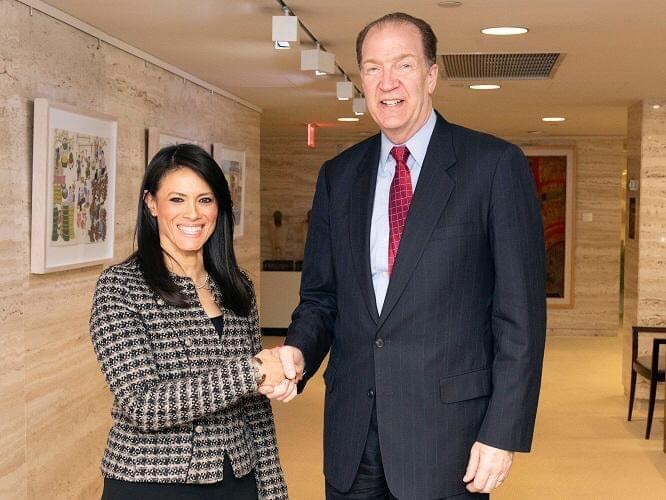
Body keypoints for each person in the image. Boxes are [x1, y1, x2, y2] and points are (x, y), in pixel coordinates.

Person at [264, 12, 547, 500]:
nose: (387, 82)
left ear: (431, 75)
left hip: (447, 436)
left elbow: (520, 317)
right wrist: (298, 352)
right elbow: (321, 298)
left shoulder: (493, 166)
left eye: (404, 65)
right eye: (373, 68)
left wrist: (502, 431)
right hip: (352, 433)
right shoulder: (338, 176)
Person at [90, 144, 288, 500]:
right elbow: (141, 404)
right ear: (151, 203)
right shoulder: (120, 287)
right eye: (177, 199)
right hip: (152, 482)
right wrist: (252, 371)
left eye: (205, 200)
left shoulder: (237, 286)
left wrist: (273, 491)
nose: (193, 214)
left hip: (238, 480)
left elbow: (255, 409)